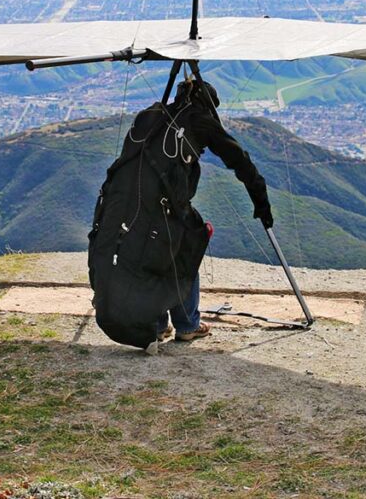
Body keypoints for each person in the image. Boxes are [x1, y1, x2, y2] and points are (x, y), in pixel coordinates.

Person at [87, 75, 273, 350]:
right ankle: (187, 324)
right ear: (208, 104)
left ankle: (159, 323)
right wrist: (262, 202)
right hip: (161, 204)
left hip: (123, 204)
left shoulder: (156, 114)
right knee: (187, 244)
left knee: (154, 250)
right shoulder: (199, 119)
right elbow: (239, 160)